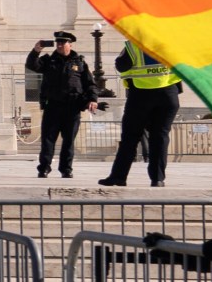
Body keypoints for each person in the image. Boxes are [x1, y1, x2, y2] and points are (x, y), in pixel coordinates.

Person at [100, 38, 181, 187]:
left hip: (142, 94)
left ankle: (119, 176)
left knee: (130, 137)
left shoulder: (135, 45)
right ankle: (158, 179)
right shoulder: (172, 42)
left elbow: (121, 65)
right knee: (160, 137)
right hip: (168, 94)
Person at [26, 30, 97, 178]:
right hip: (53, 106)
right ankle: (44, 168)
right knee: (48, 140)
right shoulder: (48, 60)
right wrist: (36, 51)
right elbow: (32, 65)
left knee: (69, 141)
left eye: (63, 42)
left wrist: (93, 99)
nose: (59, 45)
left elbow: (89, 84)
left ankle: (66, 169)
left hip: (72, 107)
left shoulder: (80, 63)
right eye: (58, 42)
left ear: (70, 44)